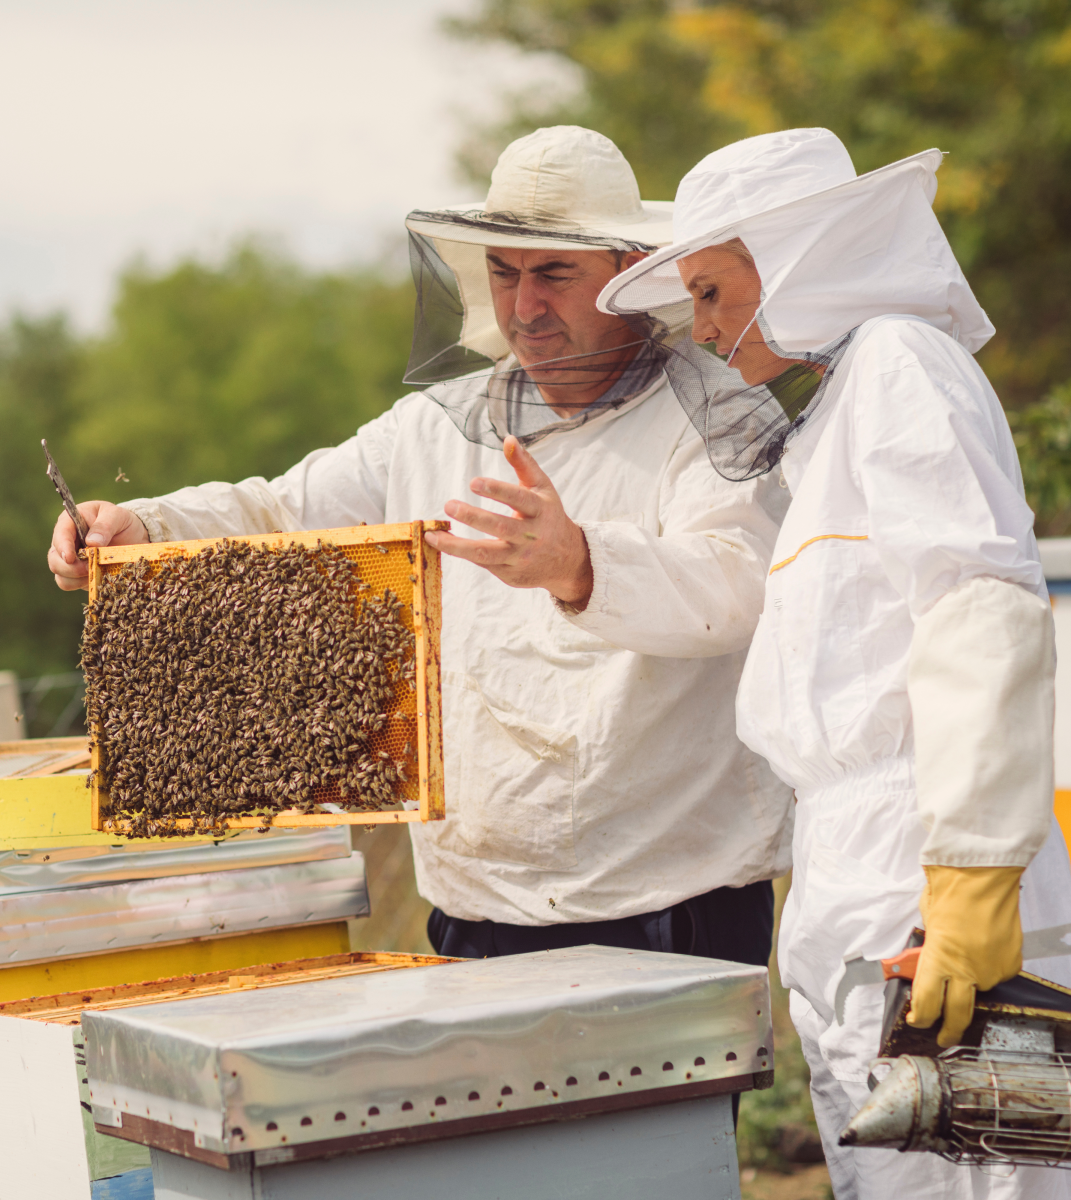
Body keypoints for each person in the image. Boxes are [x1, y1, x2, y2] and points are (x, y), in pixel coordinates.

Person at [49, 125, 793, 969]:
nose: (524, 306)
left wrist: (581, 564)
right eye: (504, 273)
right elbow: (284, 509)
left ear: (627, 273)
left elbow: (739, 590)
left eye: (553, 273)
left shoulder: (719, 419)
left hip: (665, 902)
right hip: (472, 902)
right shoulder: (436, 425)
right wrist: (142, 527)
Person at [598, 126, 1071, 1198]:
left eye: (716, 293)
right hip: (859, 867)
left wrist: (970, 870)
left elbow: (978, 605)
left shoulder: (906, 364)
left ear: (803, 258)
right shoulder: (836, 419)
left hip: (919, 862)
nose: (708, 333)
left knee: (976, 1183)